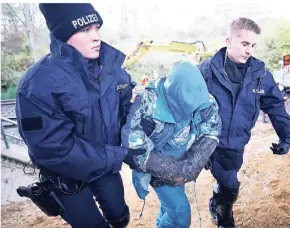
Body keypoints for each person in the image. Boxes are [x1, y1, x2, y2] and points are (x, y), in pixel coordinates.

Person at [15, 3, 145, 228]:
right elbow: (52, 148)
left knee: (120, 215)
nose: (96, 37)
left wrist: (140, 123)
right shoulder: (36, 84)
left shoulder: (114, 71)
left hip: (105, 166)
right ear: (64, 34)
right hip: (64, 176)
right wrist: (120, 154)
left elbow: (125, 109)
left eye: (97, 28)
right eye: (85, 30)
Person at [196, 18, 290, 227]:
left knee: (226, 184)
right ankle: (225, 220)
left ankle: (217, 198)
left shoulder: (260, 75)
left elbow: (275, 106)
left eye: (253, 45)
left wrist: (286, 137)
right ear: (228, 41)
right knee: (231, 187)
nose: (249, 50)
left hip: (237, 144)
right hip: (210, 143)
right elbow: (183, 104)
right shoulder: (205, 72)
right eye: (244, 44)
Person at [121, 61, 222, 228]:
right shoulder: (146, 103)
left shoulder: (203, 99)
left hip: (182, 158)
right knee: (180, 215)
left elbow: (211, 129)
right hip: (156, 165)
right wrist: (176, 170)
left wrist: (192, 163)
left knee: (169, 207)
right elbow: (135, 148)